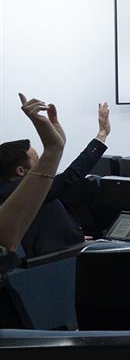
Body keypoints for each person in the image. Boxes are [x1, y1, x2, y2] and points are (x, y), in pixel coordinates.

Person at [0, 100, 111, 257]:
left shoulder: (7, 191)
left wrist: (73, 240)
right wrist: (102, 135)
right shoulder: (21, 191)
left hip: (65, 248)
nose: (44, 164)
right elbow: (71, 176)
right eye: (38, 161)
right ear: (20, 171)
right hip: (55, 262)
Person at [1, 94, 67, 268]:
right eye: (37, 161)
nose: (40, 166)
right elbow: (68, 179)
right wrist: (54, 150)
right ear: (20, 171)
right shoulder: (14, 191)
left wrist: (56, 149)